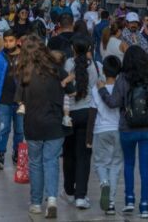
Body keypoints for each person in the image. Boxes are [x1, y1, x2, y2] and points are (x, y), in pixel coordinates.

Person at [98, 47, 148, 218]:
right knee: (145, 167)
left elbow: (113, 102)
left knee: (129, 164)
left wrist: (102, 90)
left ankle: (129, 200)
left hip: (128, 128)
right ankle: (145, 206)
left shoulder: (123, 79)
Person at [17, 35, 74, 218]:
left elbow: (19, 100)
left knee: (35, 163)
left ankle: (35, 202)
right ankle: (51, 199)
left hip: (33, 124)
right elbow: (72, 91)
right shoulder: (57, 70)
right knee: (51, 162)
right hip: (54, 123)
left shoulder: (24, 73)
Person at [62, 34, 104, 209]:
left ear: (73, 49)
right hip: (86, 113)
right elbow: (95, 88)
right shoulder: (94, 66)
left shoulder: (68, 64)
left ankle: (69, 190)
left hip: (69, 114)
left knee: (68, 153)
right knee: (84, 156)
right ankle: (81, 195)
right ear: (88, 50)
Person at [87, 56, 123, 216]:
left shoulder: (96, 89)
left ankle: (103, 182)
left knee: (100, 163)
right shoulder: (121, 89)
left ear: (103, 70)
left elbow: (92, 114)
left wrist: (88, 138)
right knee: (115, 165)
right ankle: (111, 205)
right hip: (119, 130)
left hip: (100, 130)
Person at [0, 29, 24, 169]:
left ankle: (17, 153)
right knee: (3, 128)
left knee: (20, 129)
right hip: (3, 98)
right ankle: (0, 155)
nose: (8, 43)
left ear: (17, 41)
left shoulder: (24, 57)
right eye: (6, 40)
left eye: (11, 41)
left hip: (21, 100)